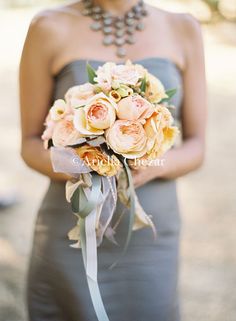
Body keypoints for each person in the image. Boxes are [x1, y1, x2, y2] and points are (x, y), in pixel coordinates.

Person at [19, 0, 207, 320]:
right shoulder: (47, 26)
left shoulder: (184, 28)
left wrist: (153, 165)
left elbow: (197, 147)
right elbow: (30, 145)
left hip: (151, 233)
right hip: (70, 227)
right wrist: (86, 166)